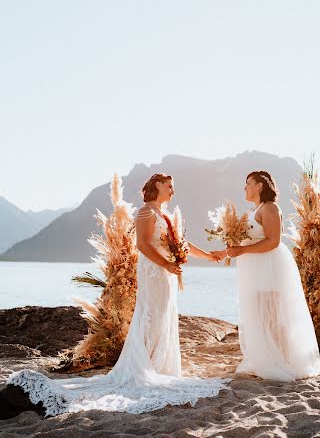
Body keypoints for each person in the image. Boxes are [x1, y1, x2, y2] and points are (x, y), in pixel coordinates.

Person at [5, 173, 229, 416]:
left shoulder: (165, 214)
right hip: (154, 270)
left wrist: (209, 255)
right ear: (157, 186)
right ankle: (146, 367)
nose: (173, 191)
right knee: (151, 315)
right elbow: (142, 245)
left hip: (167, 273)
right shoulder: (146, 212)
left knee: (164, 316)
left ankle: (159, 366)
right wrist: (165, 265)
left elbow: (182, 243)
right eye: (169, 186)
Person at [211, 171, 320, 381]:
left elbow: (273, 241)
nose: (245, 188)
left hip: (269, 268)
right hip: (254, 269)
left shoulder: (270, 208)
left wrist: (241, 251)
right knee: (259, 314)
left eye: (248, 183)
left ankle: (281, 361)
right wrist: (225, 252)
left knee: (272, 314)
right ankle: (265, 358)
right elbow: (246, 241)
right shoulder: (255, 210)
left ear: (260, 186)